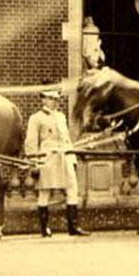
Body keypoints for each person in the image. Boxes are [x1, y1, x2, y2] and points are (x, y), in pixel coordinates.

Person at [25, 91, 90, 237]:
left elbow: (66, 138)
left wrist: (72, 157)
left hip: (64, 155)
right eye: (50, 98)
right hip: (47, 156)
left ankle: (73, 227)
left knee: (72, 188)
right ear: (43, 99)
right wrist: (34, 163)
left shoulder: (61, 116)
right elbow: (31, 142)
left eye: (55, 99)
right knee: (44, 191)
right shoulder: (36, 118)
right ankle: (45, 228)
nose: (54, 101)